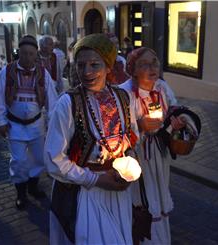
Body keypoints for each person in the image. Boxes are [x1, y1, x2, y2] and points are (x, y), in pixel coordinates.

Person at [44, 33, 140, 245]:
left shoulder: (124, 98)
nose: (86, 72)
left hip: (117, 191)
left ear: (108, 67)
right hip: (85, 193)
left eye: (94, 65)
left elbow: (131, 137)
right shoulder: (67, 104)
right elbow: (54, 160)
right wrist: (95, 179)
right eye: (80, 65)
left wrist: (130, 161)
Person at [119, 47, 186, 245]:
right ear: (133, 69)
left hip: (158, 152)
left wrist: (175, 122)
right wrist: (139, 126)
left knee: (158, 191)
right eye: (144, 64)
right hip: (137, 156)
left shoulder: (162, 88)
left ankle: (161, 240)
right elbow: (116, 128)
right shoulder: (124, 92)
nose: (152, 68)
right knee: (142, 196)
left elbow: (173, 110)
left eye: (154, 63)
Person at [0, 35, 58, 209]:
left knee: (38, 159)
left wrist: (52, 123)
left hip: (37, 125)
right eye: (24, 53)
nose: (27, 57)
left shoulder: (43, 73)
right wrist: (0, 121)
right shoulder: (7, 71)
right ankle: (20, 193)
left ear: (36, 54)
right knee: (19, 160)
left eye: (31, 54)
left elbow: (52, 99)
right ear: (18, 52)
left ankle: (33, 187)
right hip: (15, 125)